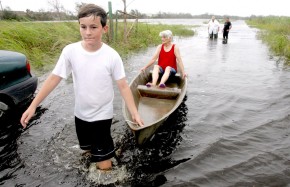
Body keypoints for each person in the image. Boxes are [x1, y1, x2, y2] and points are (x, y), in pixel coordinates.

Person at [20, 4, 143, 171]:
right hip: (80, 114)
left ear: (104, 28)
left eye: (93, 27)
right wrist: (33, 105)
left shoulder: (111, 56)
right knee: (86, 150)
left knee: (103, 164)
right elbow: (54, 78)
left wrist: (134, 112)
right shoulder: (70, 51)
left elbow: (123, 86)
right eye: (83, 27)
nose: (87, 32)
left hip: (102, 115)